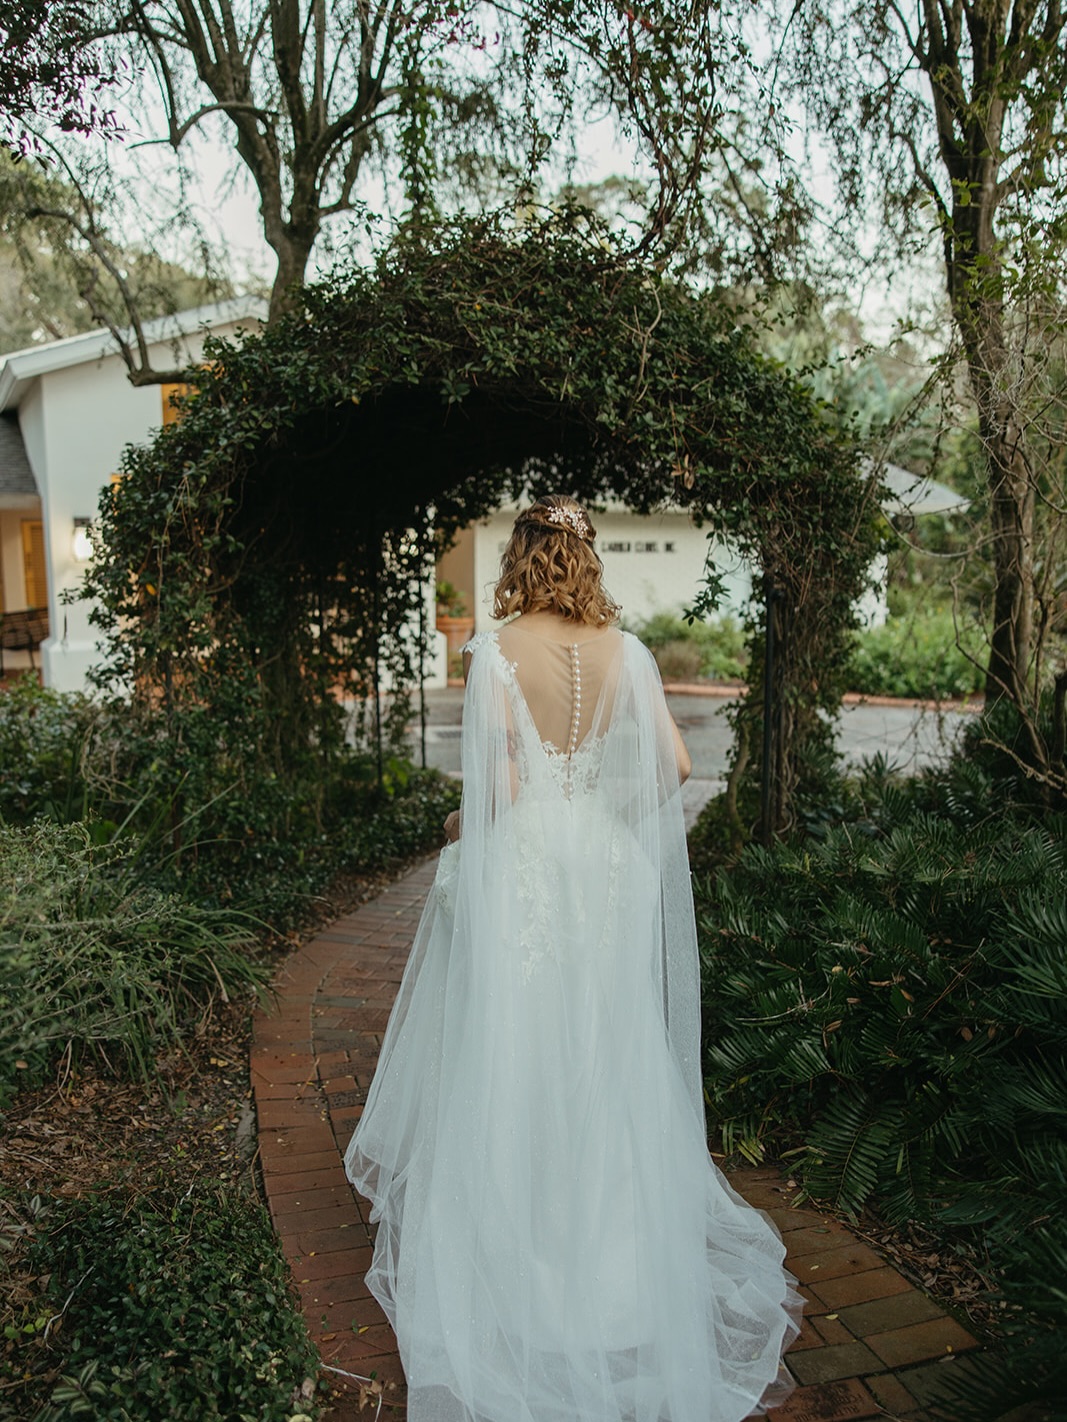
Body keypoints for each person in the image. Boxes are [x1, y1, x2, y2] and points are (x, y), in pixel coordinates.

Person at [345, 495, 800, 1422]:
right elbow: (674, 768)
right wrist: (606, 824)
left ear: (522, 555)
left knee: (515, 1054)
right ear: (587, 560)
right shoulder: (627, 654)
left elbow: (499, 791)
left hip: (524, 869)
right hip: (605, 868)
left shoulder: (494, 653)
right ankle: (621, 1273)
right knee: (606, 1052)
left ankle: (517, 1264)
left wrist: (454, 829)